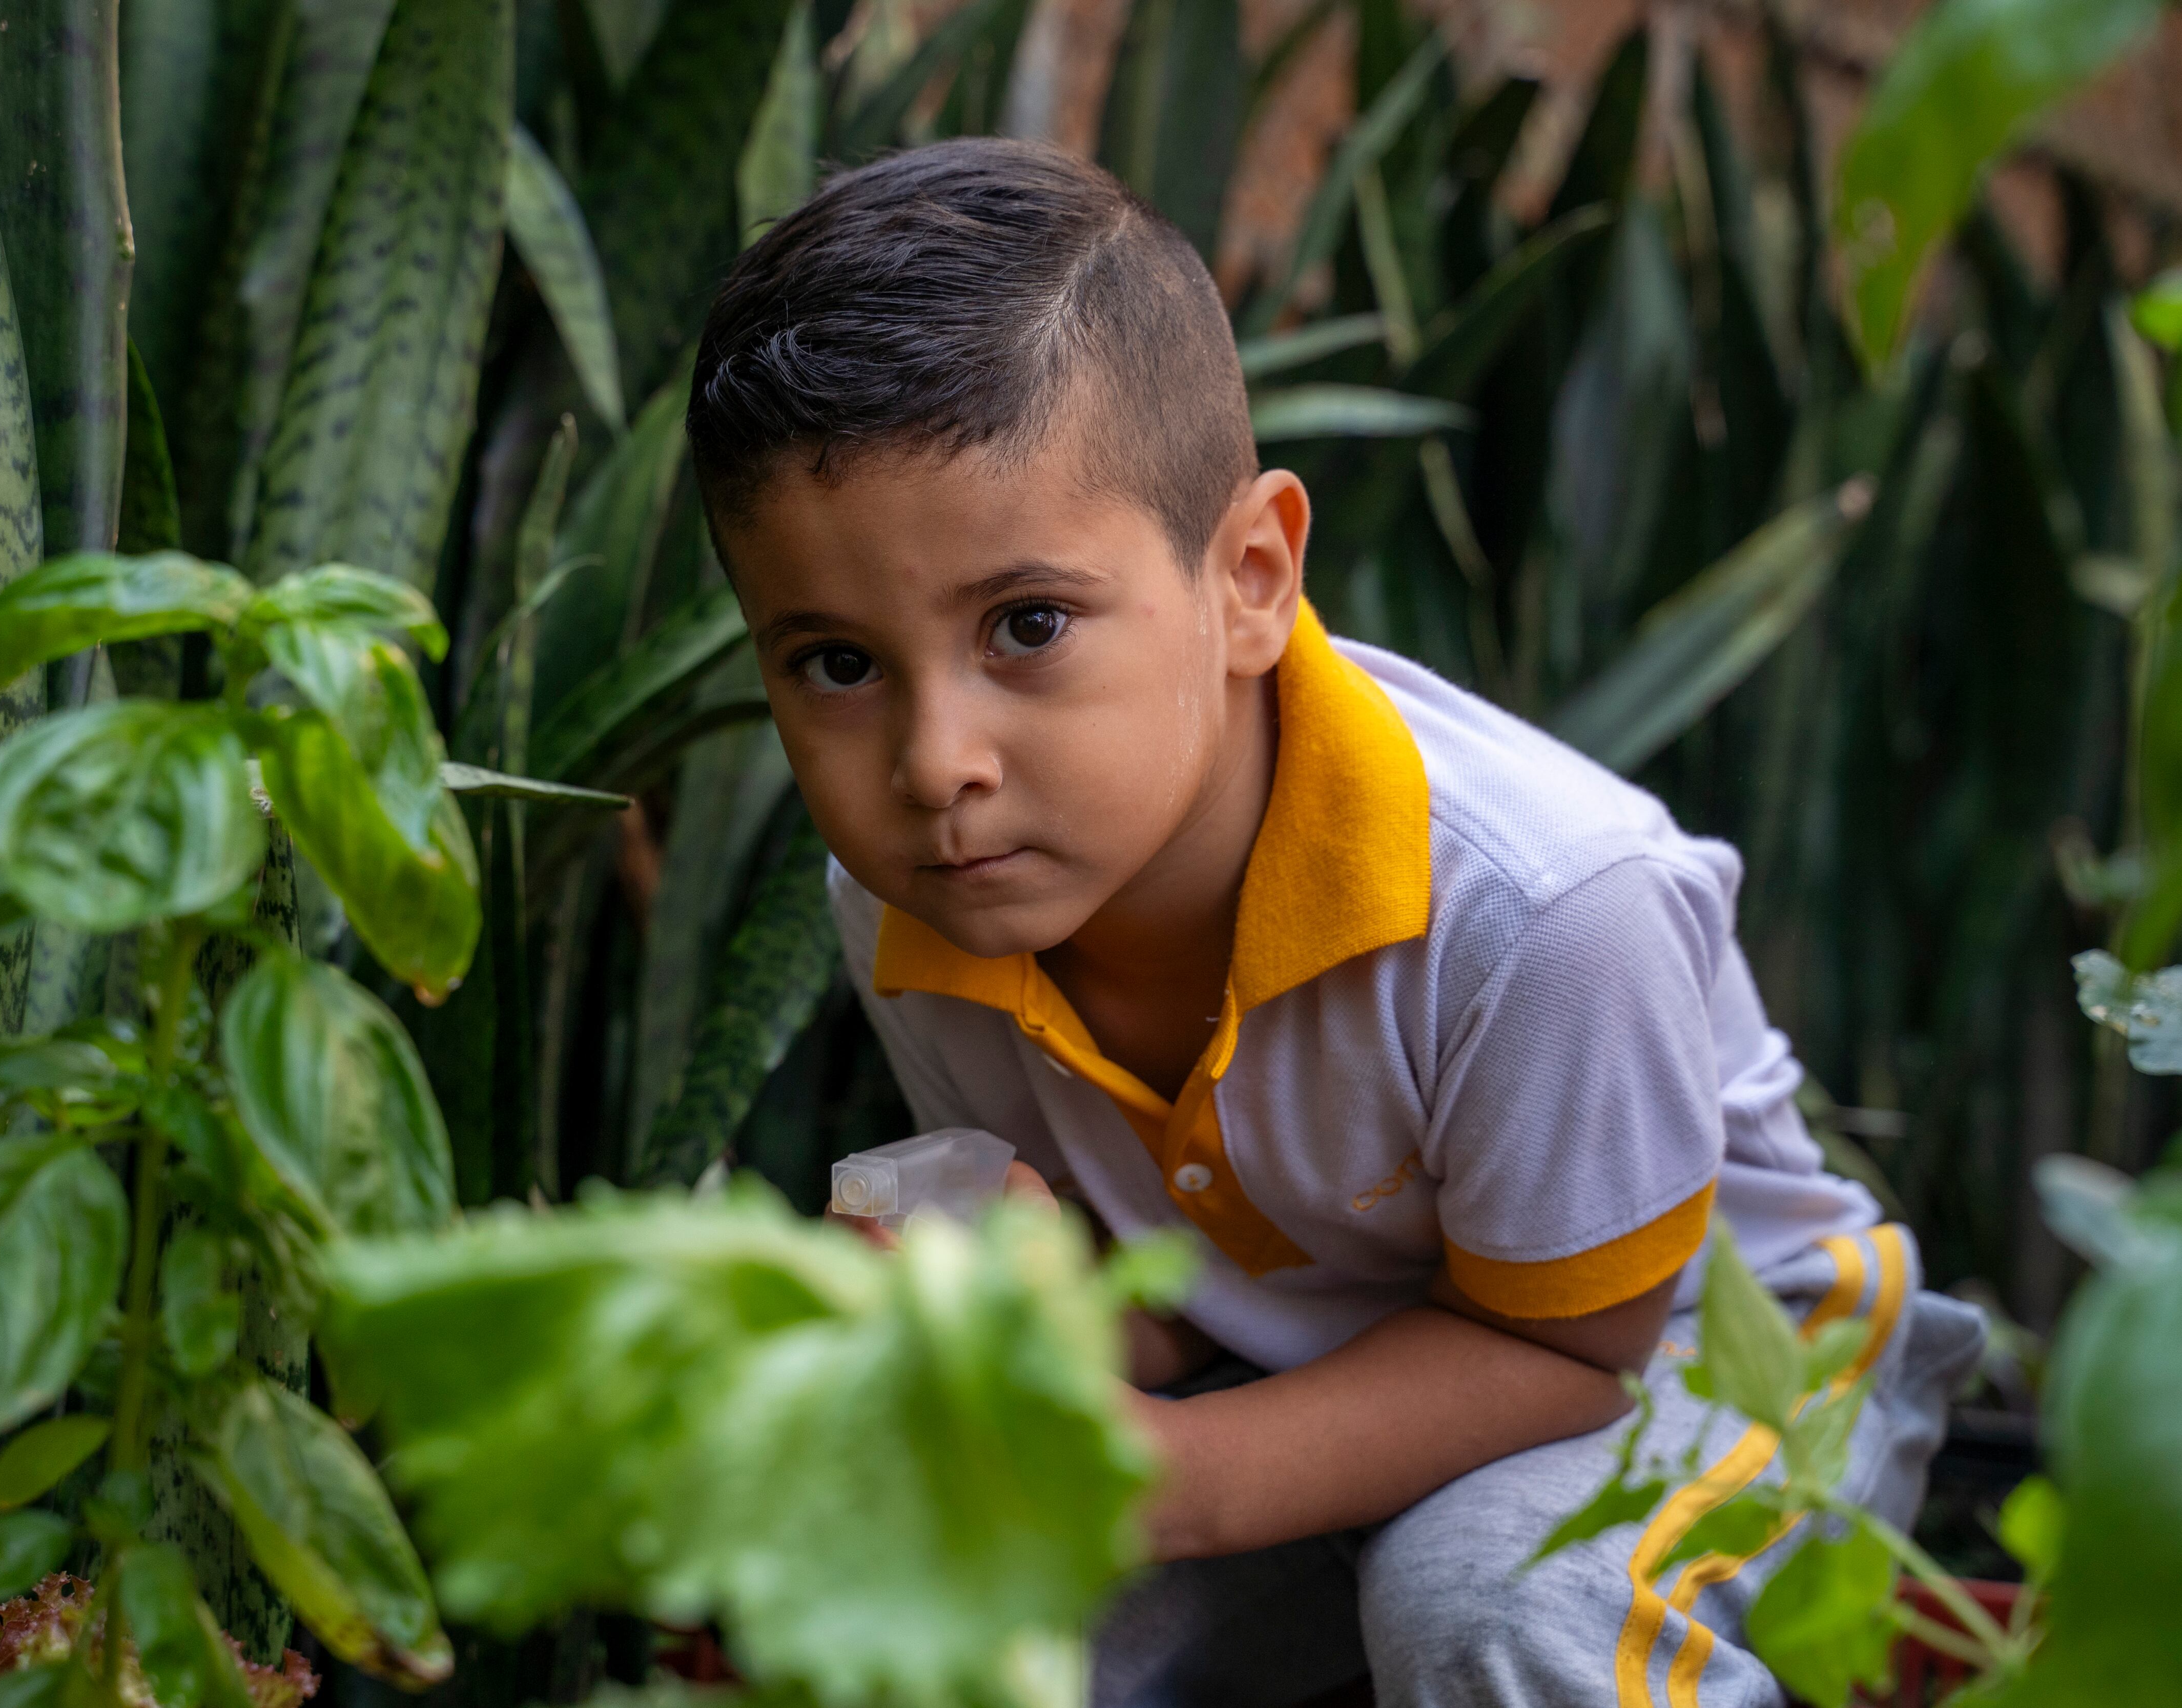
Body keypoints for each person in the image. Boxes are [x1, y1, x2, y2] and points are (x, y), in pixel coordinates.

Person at [683, 137, 1983, 1708]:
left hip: (1717, 1364)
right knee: (949, 1637)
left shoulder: (1544, 910)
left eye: (1026, 627)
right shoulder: (915, 897)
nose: (932, 762)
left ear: (1250, 577)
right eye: (834, 662)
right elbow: (1146, 1297)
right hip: (1304, 1371)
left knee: (1483, 1609)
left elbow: (1572, 1357)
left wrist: (1186, 1476)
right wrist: (1036, 1312)